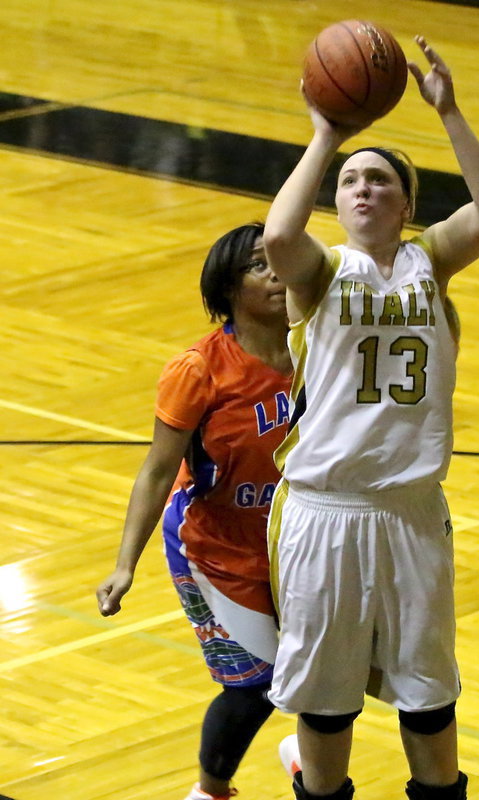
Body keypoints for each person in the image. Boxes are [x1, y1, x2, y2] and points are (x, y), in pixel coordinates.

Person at [263, 35, 479, 800]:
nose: (363, 189)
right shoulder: (321, 272)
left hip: (409, 512)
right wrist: (326, 137)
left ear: (406, 205)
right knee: (328, 706)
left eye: (380, 181)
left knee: (429, 698)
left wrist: (451, 114)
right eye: (350, 183)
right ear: (336, 204)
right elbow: (276, 235)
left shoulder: (429, 264)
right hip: (325, 512)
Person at [96, 223, 293, 800]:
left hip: (298, 534)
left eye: (280, 258)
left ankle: (306, 754)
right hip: (216, 546)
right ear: (230, 289)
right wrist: (124, 564)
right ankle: (209, 791)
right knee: (255, 685)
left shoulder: (318, 343)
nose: (278, 272)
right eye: (261, 265)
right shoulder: (199, 369)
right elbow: (158, 471)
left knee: (335, 665)